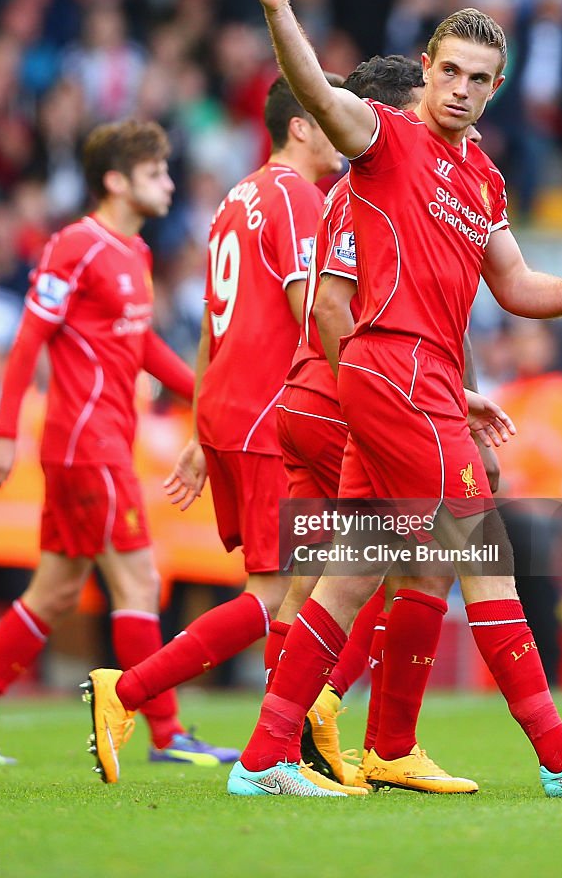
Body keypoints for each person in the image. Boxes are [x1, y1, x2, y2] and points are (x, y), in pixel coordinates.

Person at [221, 0, 562, 798]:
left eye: (478, 79)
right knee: (483, 551)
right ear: (425, 68)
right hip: (396, 373)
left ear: (496, 91)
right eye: (449, 71)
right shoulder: (382, 137)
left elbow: (516, 284)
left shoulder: (484, 179)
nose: (459, 89)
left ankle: (264, 759)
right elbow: (316, 89)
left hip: (418, 380)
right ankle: (560, 754)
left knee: (349, 578)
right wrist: (280, 11)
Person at [0, 120, 236, 772]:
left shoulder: (136, 252)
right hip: (84, 443)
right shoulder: (76, 246)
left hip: (103, 442)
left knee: (56, 591)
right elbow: (27, 341)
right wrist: (6, 432)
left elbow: (143, 344)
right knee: (139, 579)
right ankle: (166, 734)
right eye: (156, 173)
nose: (169, 183)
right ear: (116, 180)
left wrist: (203, 394)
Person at [82, 78, 356, 792]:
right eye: (328, 117)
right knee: (284, 595)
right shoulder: (298, 197)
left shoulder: (236, 198)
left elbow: (212, 322)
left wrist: (204, 428)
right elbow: (310, 309)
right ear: (299, 127)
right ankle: (139, 693)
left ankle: (286, 748)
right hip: (273, 412)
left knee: (296, 583)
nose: (341, 129)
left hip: (231, 411)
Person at [274, 54, 510, 794]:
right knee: (449, 554)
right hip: (348, 396)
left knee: (347, 573)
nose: (435, 113)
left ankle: (294, 737)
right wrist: (386, 401)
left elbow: (435, 305)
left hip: (354, 393)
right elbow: (335, 310)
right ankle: (300, 726)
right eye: (421, 101)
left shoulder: (437, 182)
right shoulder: (368, 180)